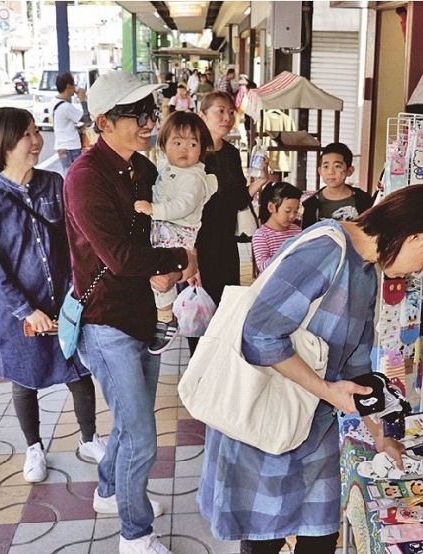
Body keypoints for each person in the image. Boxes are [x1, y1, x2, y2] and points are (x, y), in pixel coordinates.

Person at [198, 185, 423, 551]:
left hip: (312, 426)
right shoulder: (328, 249)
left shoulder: (367, 270)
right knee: (265, 539)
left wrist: (380, 435)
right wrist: (327, 390)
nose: (420, 270)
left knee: (320, 537)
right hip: (269, 418)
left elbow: (355, 366)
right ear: (417, 236)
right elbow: (258, 335)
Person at [64, 70, 197, 554]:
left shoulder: (141, 169)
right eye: (137, 115)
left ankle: (109, 490)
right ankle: (134, 534)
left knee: (129, 420)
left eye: (151, 112)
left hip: (143, 312)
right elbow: (120, 257)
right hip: (104, 320)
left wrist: (174, 255)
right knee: (142, 435)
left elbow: (165, 226)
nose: (148, 123)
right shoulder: (84, 179)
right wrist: (178, 260)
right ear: (103, 121)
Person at [0, 107, 106, 484]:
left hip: (63, 301)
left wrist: (72, 295)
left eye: (35, 132)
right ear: (4, 144)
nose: (36, 141)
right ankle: (34, 447)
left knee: (78, 371)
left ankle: (89, 438)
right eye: (27, 135)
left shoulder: (54, 184)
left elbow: (74, 239)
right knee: (25, 379)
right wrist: (26, 309)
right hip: (20, 314)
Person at [133, 111, 217, 354]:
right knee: (157, 273)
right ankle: (163, 315)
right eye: (177, 143)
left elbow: (184, 205)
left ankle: (166, 318)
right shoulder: (168, 168)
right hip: (165, 230)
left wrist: (153, 209)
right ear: (163, 145)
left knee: (162, 273)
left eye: (193, 144)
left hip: (178, 232)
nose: (184, 149)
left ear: (202, 149)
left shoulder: (194, 178)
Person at [193, 91, 271, 308]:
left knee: (226, 306)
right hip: (198, 242)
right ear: (202, 115)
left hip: (228, 241)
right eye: (220, 111)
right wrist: (190, 254)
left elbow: (238, 199)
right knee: (199, 309)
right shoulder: (192, 153)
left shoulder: (232, 153)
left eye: (230, 112)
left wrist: (260, 181)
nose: (227, 118)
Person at [301, 142, 374, 229]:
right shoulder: (311, 204)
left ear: (349, 171)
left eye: (337, 166)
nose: (331, 172)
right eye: (326, 166)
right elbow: (306, 238)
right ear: (320, 171)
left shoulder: (363, 199)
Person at [251, 181, 301, 271]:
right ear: (271, 207)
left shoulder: (297, 231)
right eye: (287, 211)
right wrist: (286, 253)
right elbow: (263, 267)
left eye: (296, 211)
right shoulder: (261, 236)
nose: (292, 216)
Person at [52, 72, 88, 174]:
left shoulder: (54, 101)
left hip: (61, 146)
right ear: (68, 86)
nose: (75, 87)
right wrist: (82, 99)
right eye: (74, 85)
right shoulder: (65, 107)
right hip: (71, 147)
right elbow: (87, 118)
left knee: (67, 173)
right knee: (76, 175)